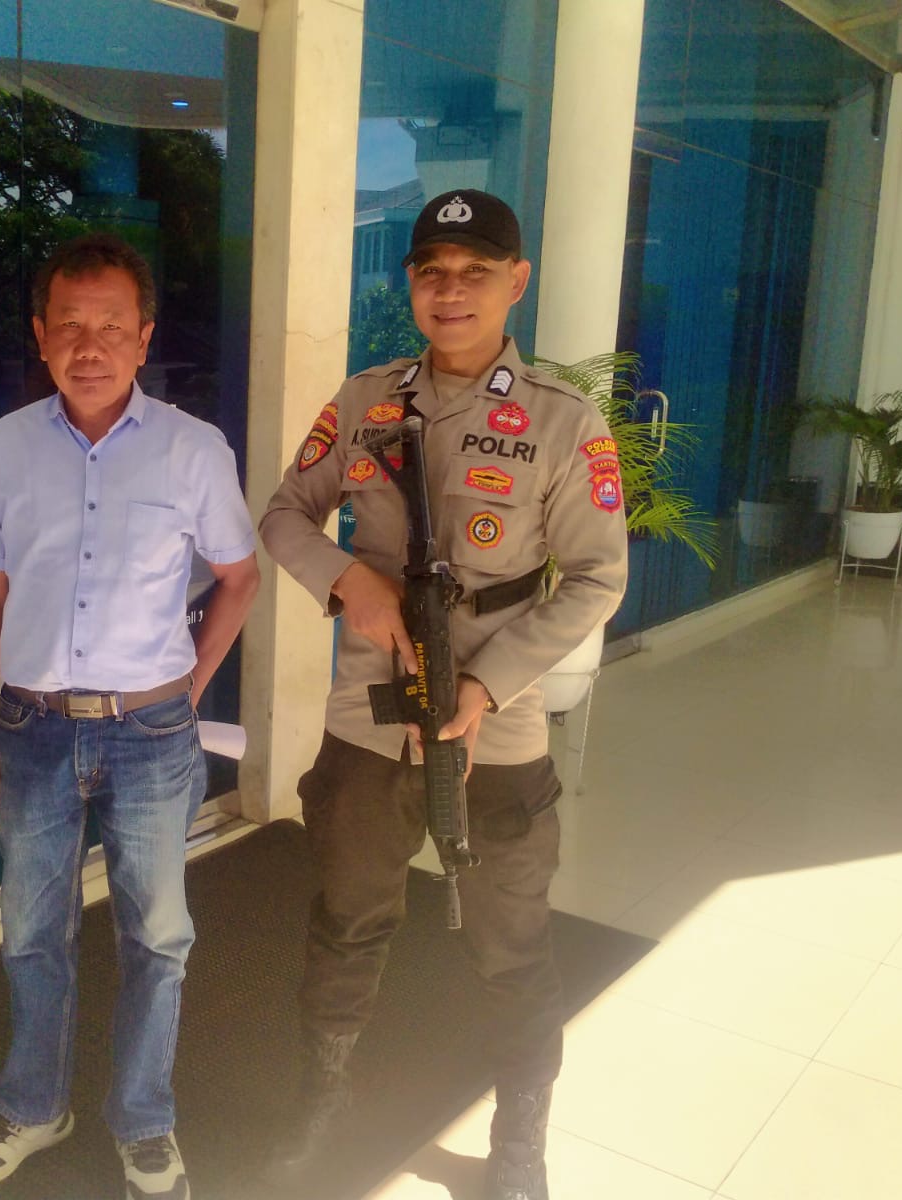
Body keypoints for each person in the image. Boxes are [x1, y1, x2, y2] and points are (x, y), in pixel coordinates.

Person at [258, 190, 628, 1200]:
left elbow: (598, 578)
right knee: (347, 919)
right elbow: (285, 515)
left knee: (512, 946)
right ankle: (323, 1099)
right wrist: (350, 581)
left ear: (517, 282)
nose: (451, 291)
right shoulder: (366, 400)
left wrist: (486, 684)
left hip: (494, 732)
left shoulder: (562, 421)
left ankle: (520, 1142)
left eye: (475, 273)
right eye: (432, 272)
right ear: (412, 285)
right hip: (368, 720)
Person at [0, 233, 260, 1199]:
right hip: (30, 731)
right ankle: (34, 1106)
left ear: (144, 337)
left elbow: (240, 577)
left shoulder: (192, 449)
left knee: (157, 938)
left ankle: (144, 1122)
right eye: (70, 326)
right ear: (41, 335)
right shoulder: (7, 446)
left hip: (152, 735)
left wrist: (189, 688)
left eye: (112, 327)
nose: (91, 346)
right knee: (30, 933)